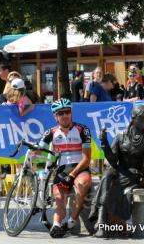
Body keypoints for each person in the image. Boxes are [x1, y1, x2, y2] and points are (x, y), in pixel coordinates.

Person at [38, 98, 92, 238]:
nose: (64, 115)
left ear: (71, 112)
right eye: (60, 113)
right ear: (55, 116)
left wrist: (72, 175)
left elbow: (86, 159)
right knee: (59, 199)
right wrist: (32, 148)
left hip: (79, 168)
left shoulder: (82, 130)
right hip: (62, 169)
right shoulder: (50, 132)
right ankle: (56, 225)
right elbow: (39, 150)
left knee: (82, 184)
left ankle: (71, 222)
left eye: (67, 112)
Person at [89, 104, 144, 238]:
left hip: (136, 173)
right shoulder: (121, 136)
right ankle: (102, 221)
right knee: (107, 175)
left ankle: (101, 222)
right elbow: (113, 160)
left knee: (110, 179)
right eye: (142, 118)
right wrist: (104, 143)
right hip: (121, 170)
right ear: (134, 118)